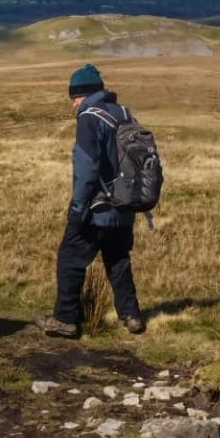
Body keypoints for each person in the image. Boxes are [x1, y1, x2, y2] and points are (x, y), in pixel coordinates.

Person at [37, 64, 145, 338]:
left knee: (70, 259)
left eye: (73, 96)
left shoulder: (89, 117)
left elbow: (86, 168)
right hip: (124, 206)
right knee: (118, 260)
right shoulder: (123, 113)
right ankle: (131, 315)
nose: (72, 103)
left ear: (82, 94)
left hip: (96, 207)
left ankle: (65, 318)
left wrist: (77, 208)